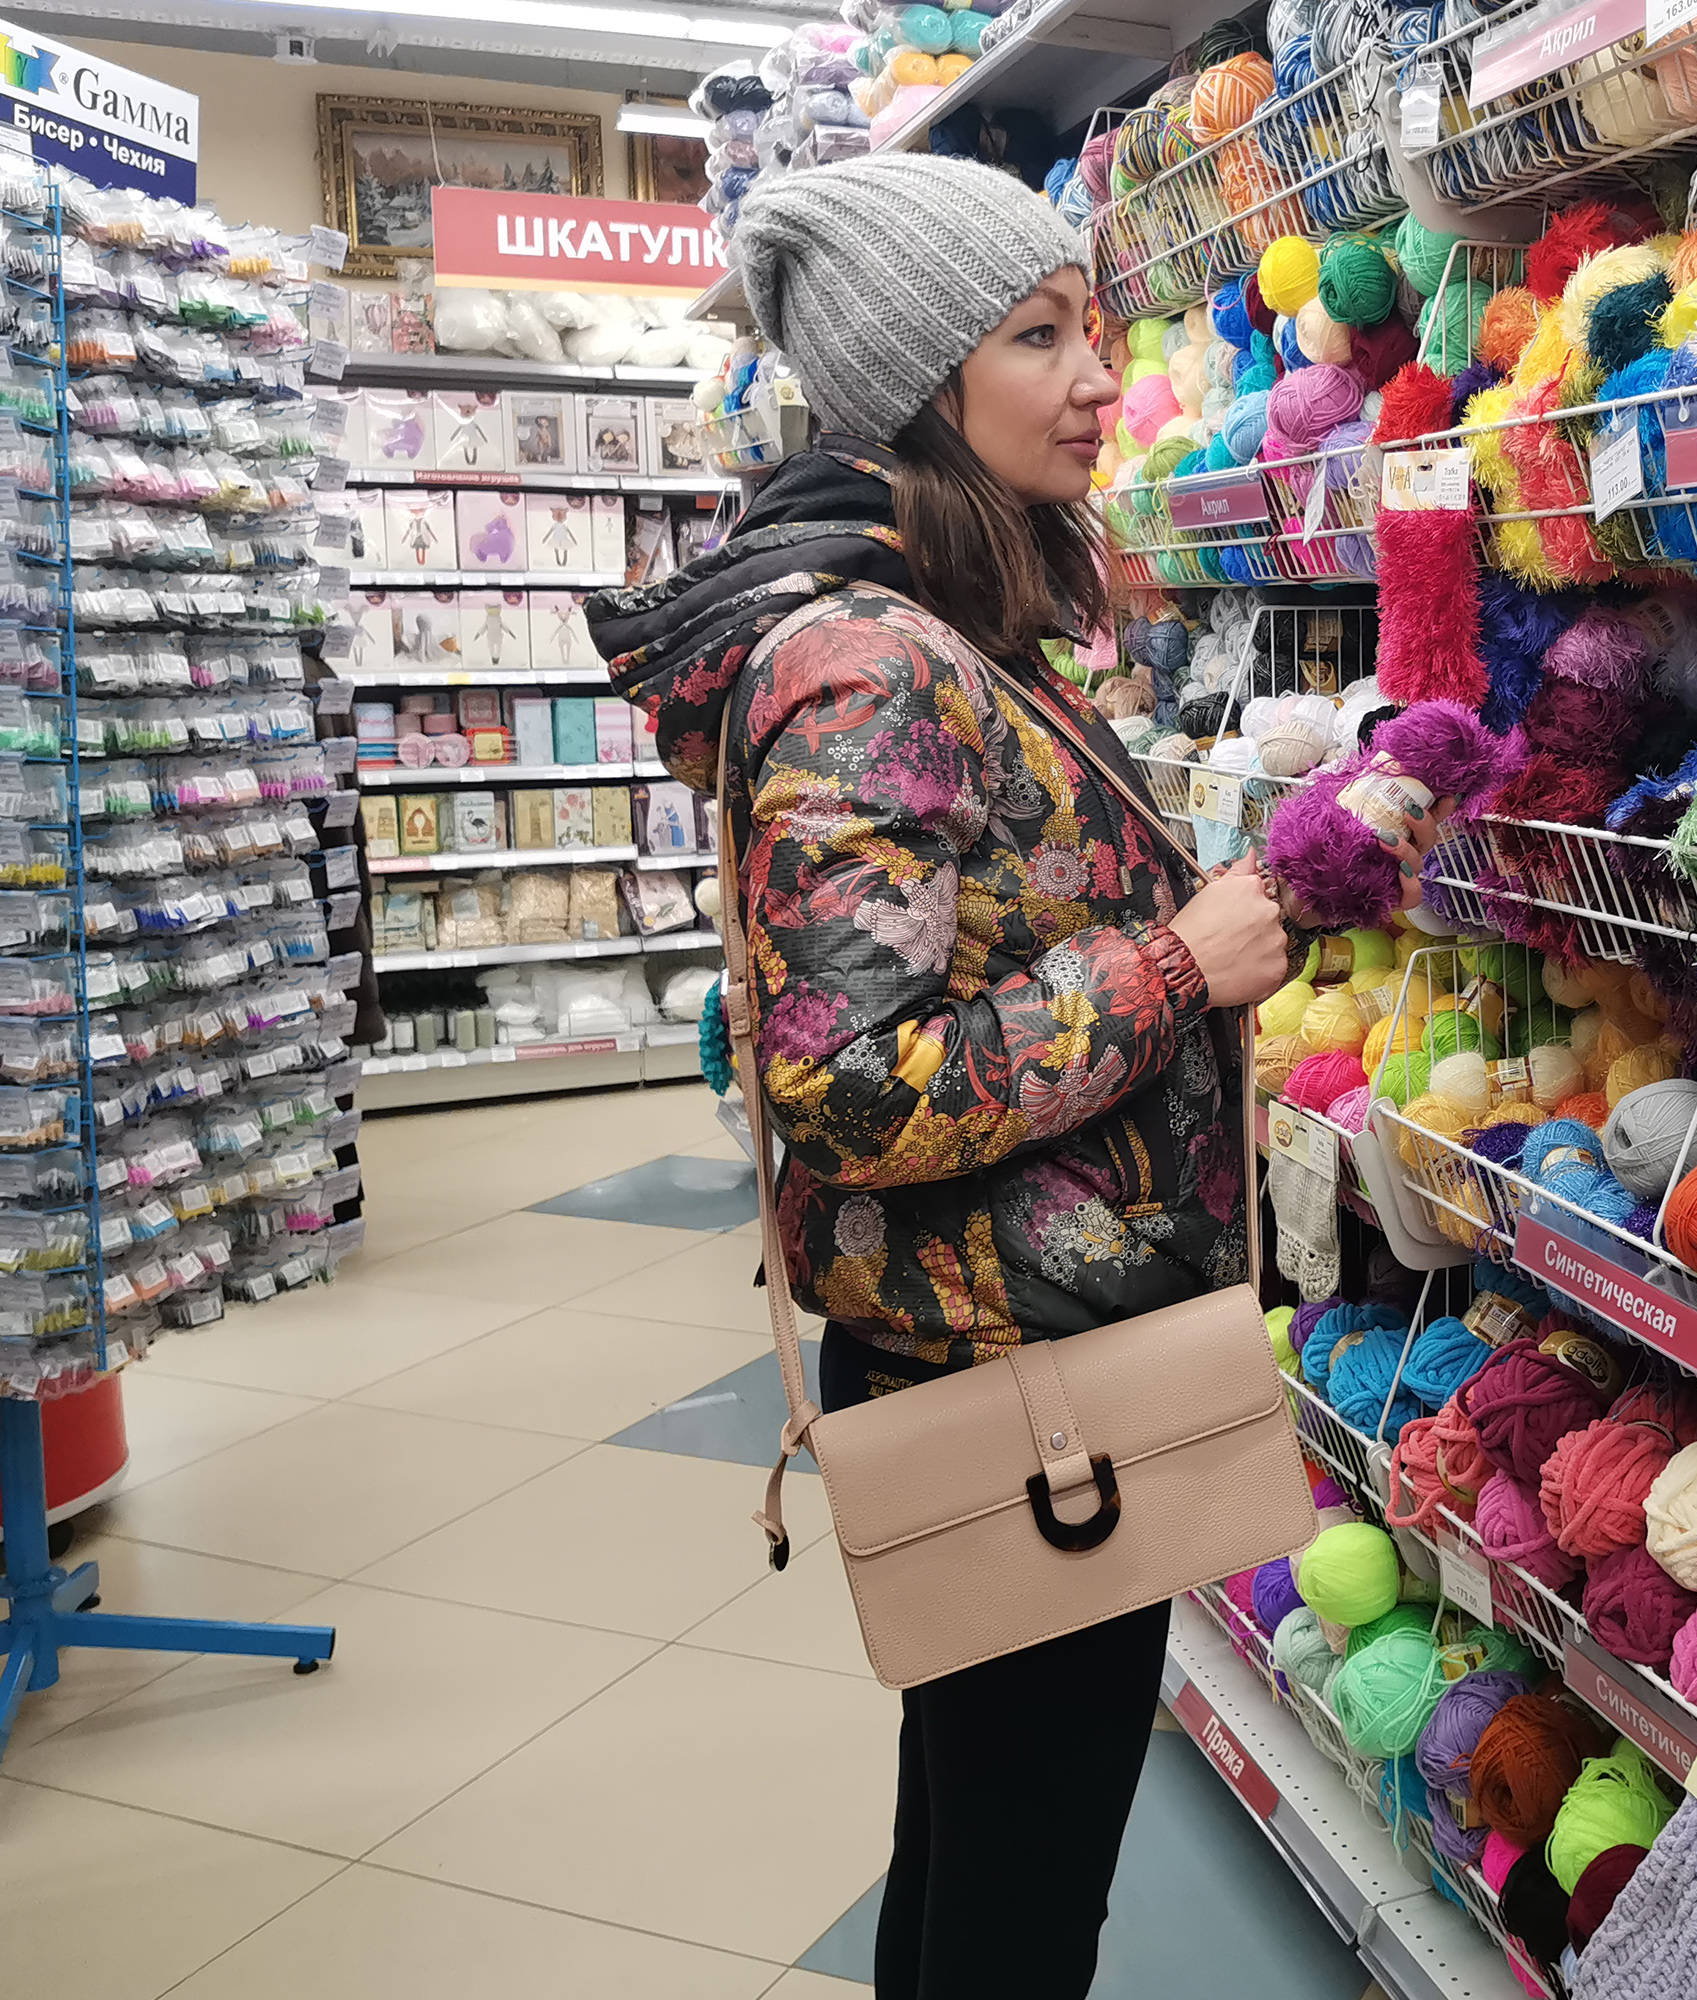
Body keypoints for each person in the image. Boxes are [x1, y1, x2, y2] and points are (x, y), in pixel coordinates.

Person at [590, 153, 1292, 2000]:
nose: (1097, 377)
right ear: (921, 383)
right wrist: (1175, 966)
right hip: (1008, 1372)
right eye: (1037, 337)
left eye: (1092, 329)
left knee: (980, 1845)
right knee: (1021, 1891)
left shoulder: (939, 616)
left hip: (1017, 1334)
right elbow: (846, 1084)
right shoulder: (868, 661)